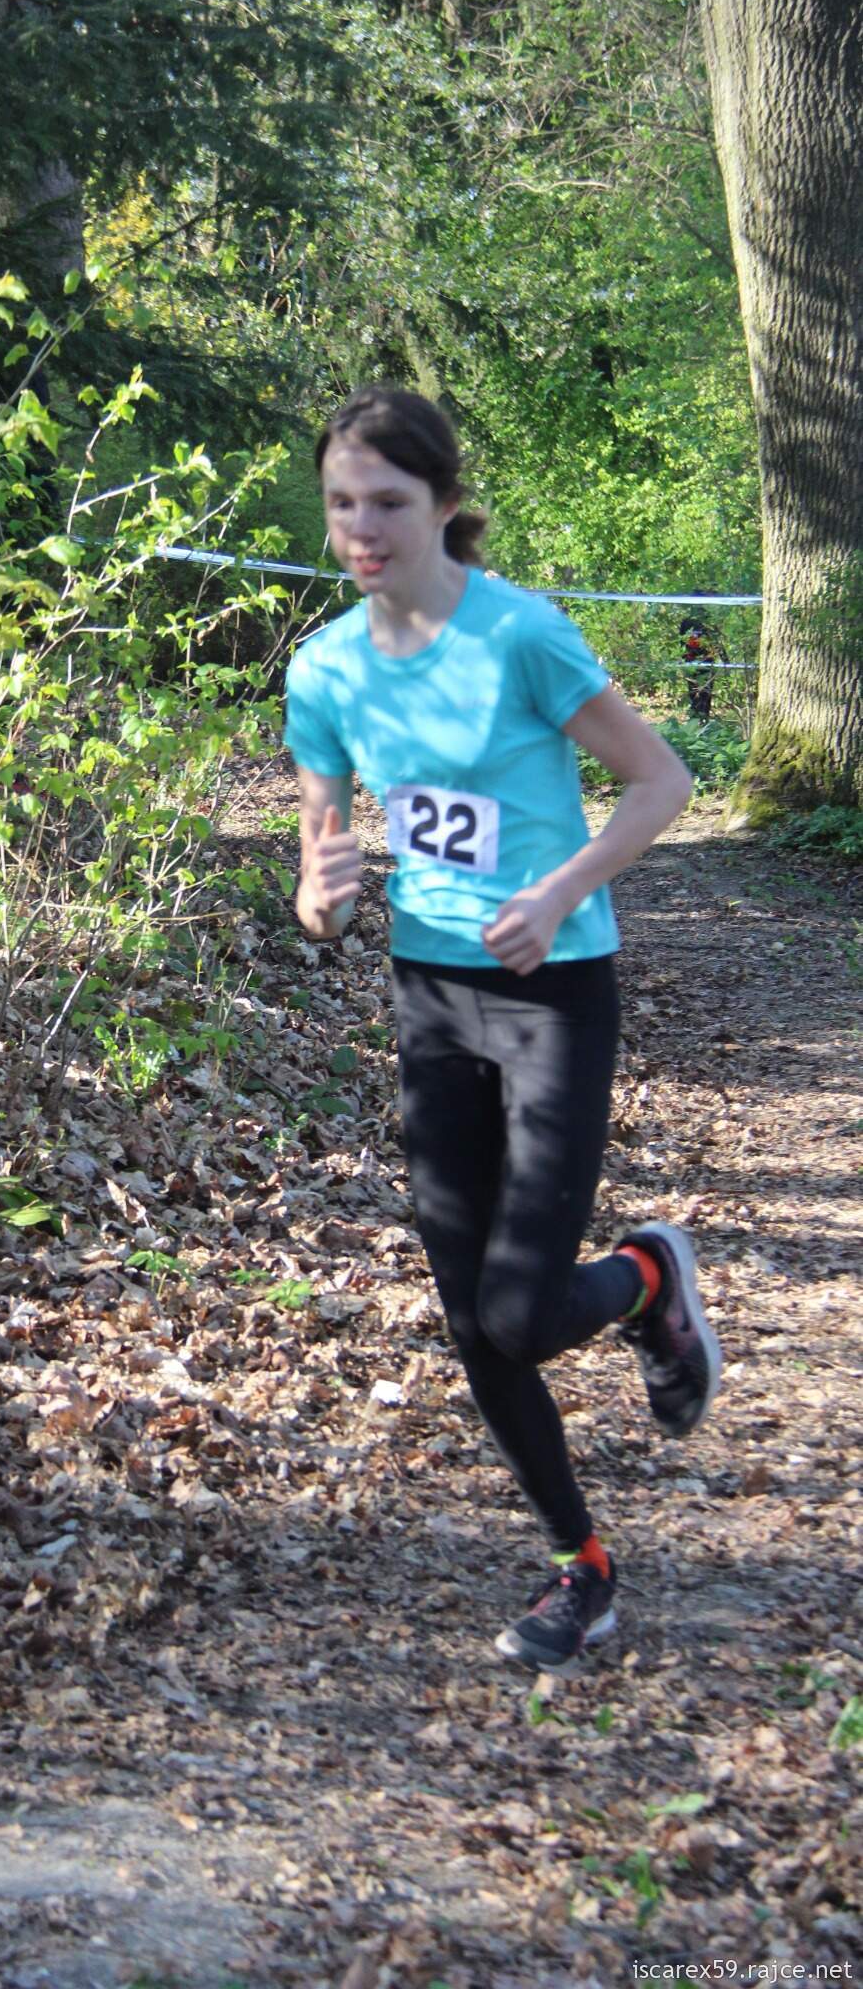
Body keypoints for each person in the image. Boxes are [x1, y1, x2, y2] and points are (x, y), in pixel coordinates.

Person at [285, 387, 722, 1672]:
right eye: (342, 504)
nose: (362, 529)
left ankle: (648, 1274)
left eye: (387, 502)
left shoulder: (520, 634)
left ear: (442, 504)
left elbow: (660, 780)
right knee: (472, 1317)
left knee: (522, 1310)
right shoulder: (324, 669)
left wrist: (558, 890)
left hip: (552, 994)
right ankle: (581, 1565)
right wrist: (322, 892)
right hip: (430, 998)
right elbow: (320, 873)